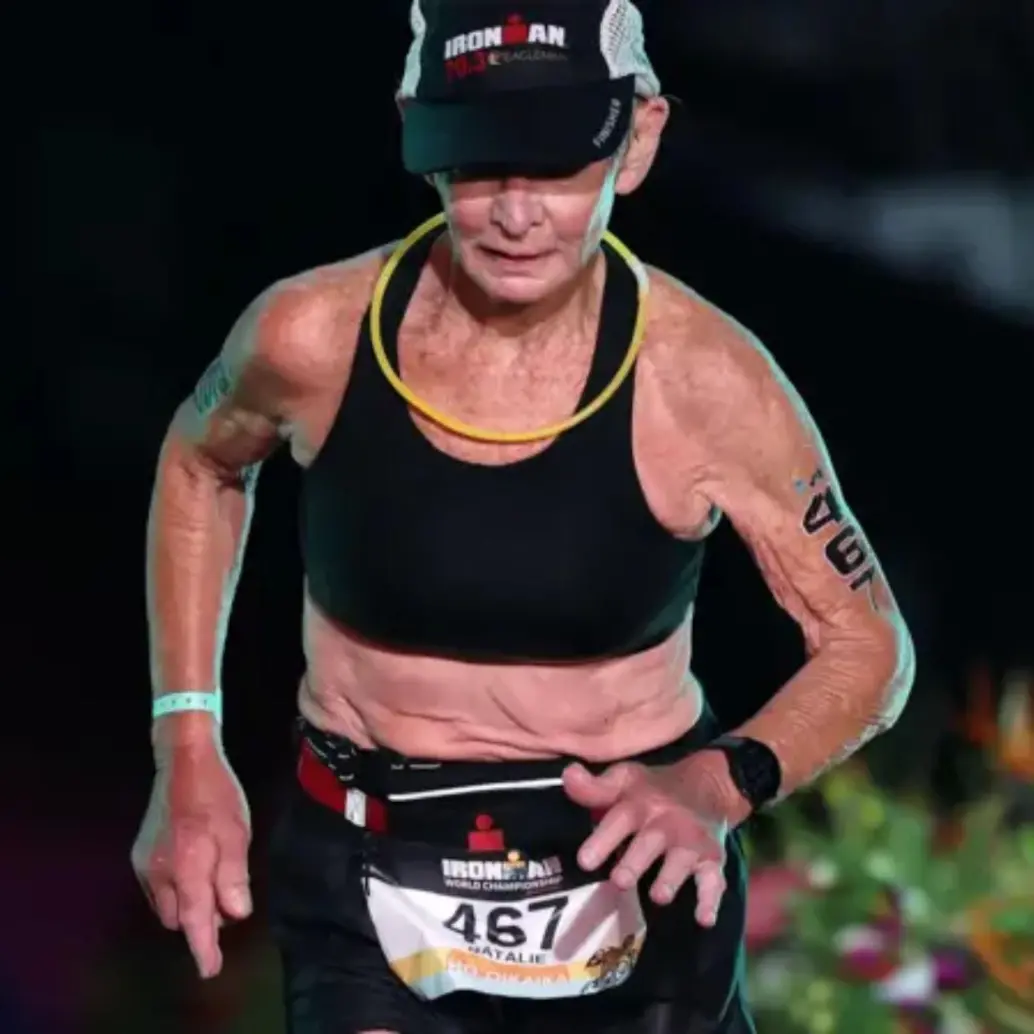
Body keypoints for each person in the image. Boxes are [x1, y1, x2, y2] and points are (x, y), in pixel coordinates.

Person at [131, 1, 915, 1031]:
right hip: (367, 870)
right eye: (478, 162)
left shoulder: (704, 380)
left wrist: (718, 784)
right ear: (417, 132)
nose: (512, 212)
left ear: (635, 142)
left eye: (552, 166)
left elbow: (867, 647)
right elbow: (199, 464)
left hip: (628, 873)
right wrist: (186, 743)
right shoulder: (306, 337)